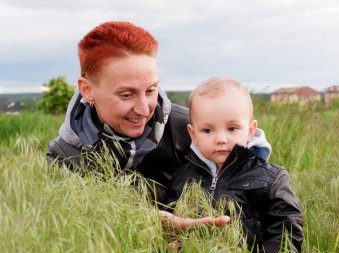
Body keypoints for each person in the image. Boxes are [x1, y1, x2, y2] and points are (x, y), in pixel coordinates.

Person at [46, 21, 270, 228]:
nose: (144, 109)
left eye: (151, 90)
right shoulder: (65, 157)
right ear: (87, 90)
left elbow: (256, 197)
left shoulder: (191, 131)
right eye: (126, 94)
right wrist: (154, 224)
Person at [165, 77, 303, 252]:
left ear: (250, 131)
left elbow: (286, 232)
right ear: (193, 135)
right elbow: (170, 223)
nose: (221, 139)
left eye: (232, 129)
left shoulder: (271, 179)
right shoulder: (182, 175)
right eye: (207, 130)